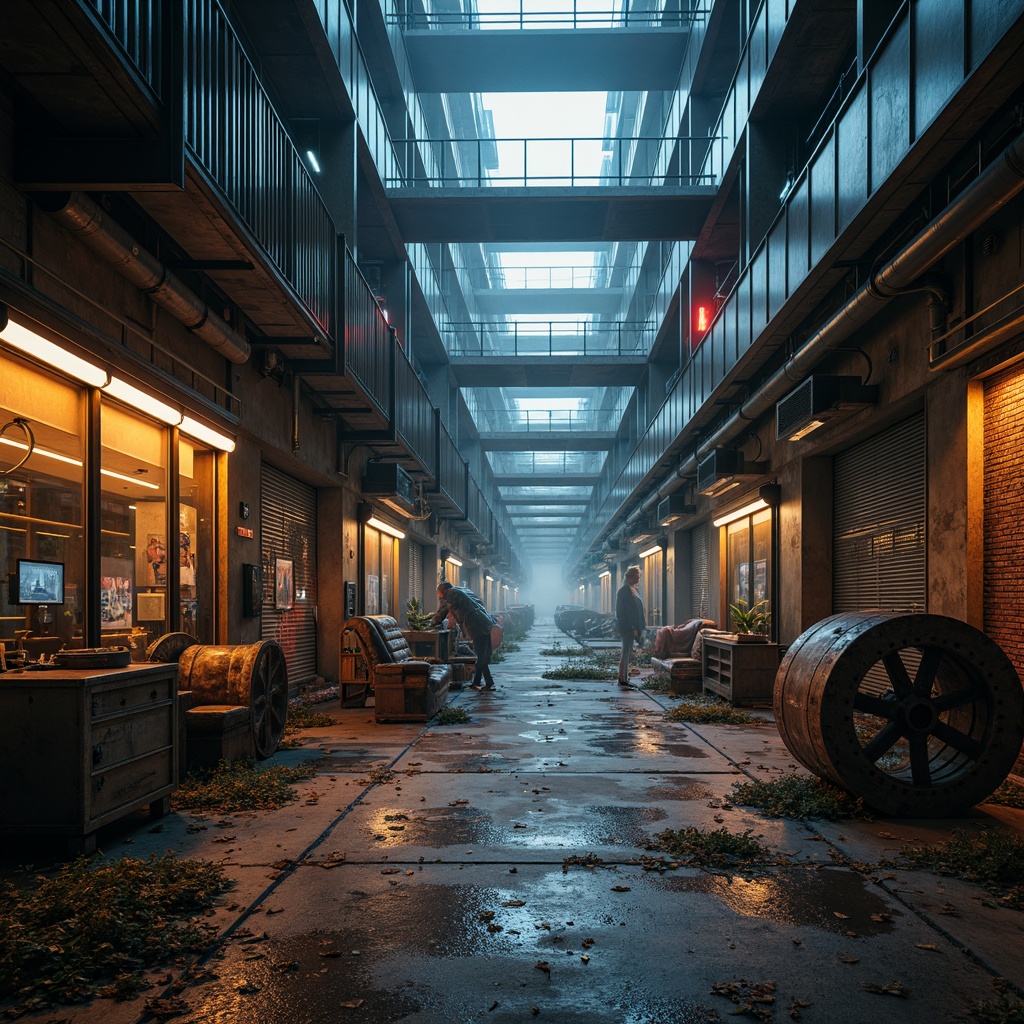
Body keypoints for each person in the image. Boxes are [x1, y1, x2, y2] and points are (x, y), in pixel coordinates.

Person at [430, 580, 497, 690]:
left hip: (476, 625)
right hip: (484, 622)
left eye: (438, 592)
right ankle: (479, 682)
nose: (438, 594)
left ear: (443, 590)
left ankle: (486, 683)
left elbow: (443, 611)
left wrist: (433, 623)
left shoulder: (451, 594)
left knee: (481, 655)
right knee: (484, 654)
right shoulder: (461, 590)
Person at [615, 565, 645, 687]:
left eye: (639, 577)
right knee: (626, 652)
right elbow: (626, 612)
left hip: (629, 627)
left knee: (627, 652)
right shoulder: (625, 591)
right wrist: (633, 627)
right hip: (628, 627)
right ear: (629, 577)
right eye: (636, 577)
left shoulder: (630, 590)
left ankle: (623, 677)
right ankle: (623, 678)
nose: (638, 580)